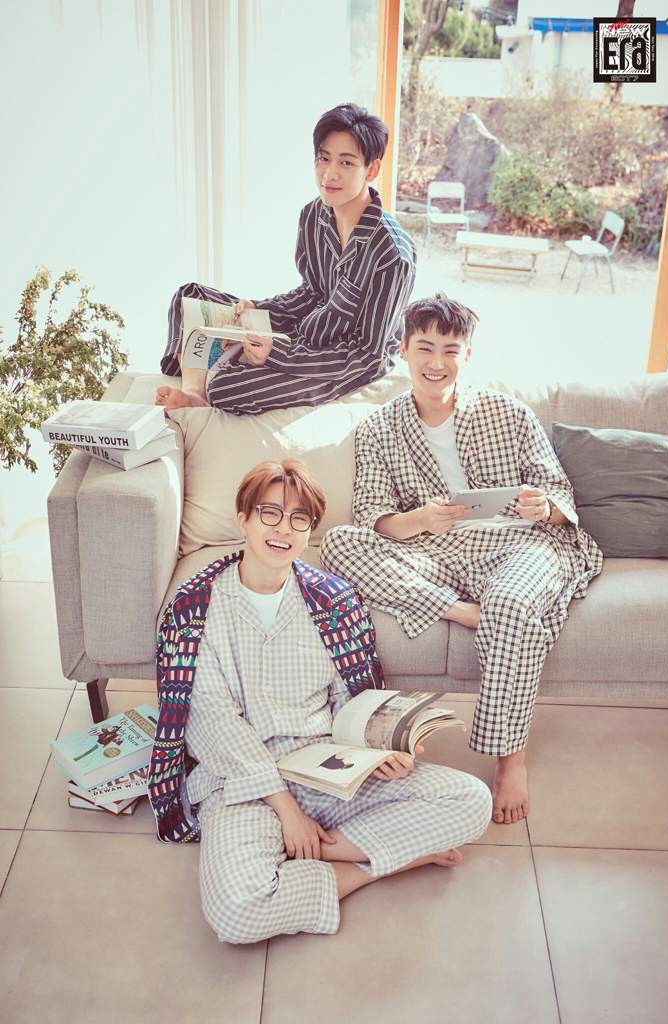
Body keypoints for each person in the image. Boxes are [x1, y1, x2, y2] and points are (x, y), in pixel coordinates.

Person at [154, 458, 491, 944]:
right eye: (269, 513)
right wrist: (287, 811)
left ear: (310, 530)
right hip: (242, 782)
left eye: (299, 519)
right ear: (243, 519)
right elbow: (212, 723)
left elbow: (351, 701)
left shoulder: (332, 601)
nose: (283, 530)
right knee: (236, 914)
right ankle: (375, 865)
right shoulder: (194, 609)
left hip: (329, 771)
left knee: (471, 800)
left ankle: (319, 851)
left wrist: (379, 749)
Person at [320, 293, 603, 827]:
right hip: (436, 551)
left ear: (467, 355)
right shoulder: (380, 428)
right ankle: (462, 611)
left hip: (520, 543)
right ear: (403, 350)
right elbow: (373, 519)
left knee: (512, 604)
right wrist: (420, 520)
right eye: (425, 347)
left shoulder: (509, 413)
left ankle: (510, 759)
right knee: (338, 543)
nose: (436, 362)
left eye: (450, 350)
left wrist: (544, 508)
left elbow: (559, 494)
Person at [155, 102, 416, 416]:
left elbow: (366, 355)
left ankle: (213, 380)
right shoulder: (313, 215)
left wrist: (279, 354)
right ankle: (193, 392)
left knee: (226, 387)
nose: (330, 174)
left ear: (371, 170)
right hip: (305, 328)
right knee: (188, 296)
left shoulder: (392, 254)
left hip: (343, 360)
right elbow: (311, 292)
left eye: (346, 163)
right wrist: (260, 309)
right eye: (323, 158)